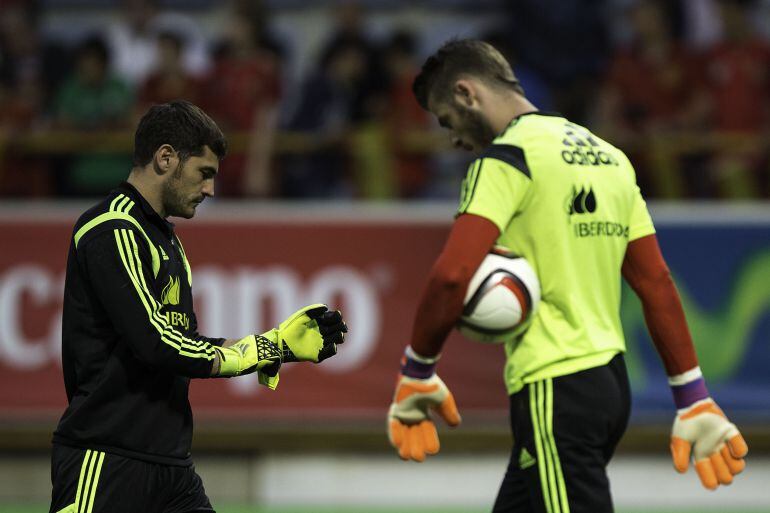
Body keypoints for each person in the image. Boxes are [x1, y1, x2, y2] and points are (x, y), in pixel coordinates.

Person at [386, 40, 748, 512]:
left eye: (447, 121)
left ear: (466, 93)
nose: (453, 140)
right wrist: (693, 395)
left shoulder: (504, 160)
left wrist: (417, 370)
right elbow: (655, 282)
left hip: (555, 388)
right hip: (608, 387)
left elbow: (453, 276)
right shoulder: (610, 157)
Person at [49, 100, 347, 513]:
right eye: (204, 174)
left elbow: (183, 341)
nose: (210, 189)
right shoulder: (111, 228)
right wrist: (260, 350)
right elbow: (157, 342)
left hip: (171, 467)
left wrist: (274, 347)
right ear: (166, 158)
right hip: (106, 461)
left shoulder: (167, 240)